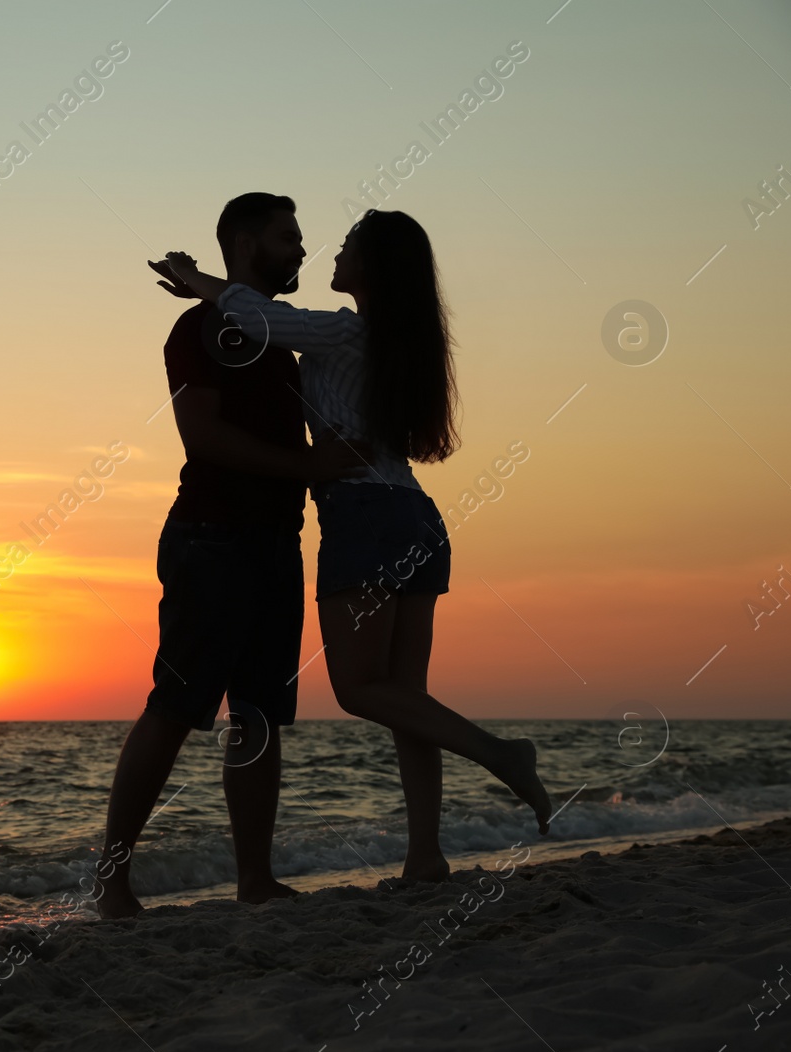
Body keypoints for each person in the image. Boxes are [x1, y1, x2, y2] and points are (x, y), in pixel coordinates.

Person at [149, 208, 552, 884]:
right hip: (415, 517)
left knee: (361, 689)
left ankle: (503, 755)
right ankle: (425, 854)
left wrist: (199, 280)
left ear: (372, 267)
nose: (326, 254)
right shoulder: (403, 344)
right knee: (405, 697)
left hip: (364, 515)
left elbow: (263, 321)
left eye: (345, 248)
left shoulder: (343, 332)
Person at [95, 193, 368, 920]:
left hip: (279, 540)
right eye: (289, 238)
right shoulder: (201, 328)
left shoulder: (284, 338)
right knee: (178, 705)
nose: (303, 250)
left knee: (259, 714)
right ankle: (110, 880)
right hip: (212, 538)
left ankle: (255, 877)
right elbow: (205, 439)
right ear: (246, 244)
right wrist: (312, 469)